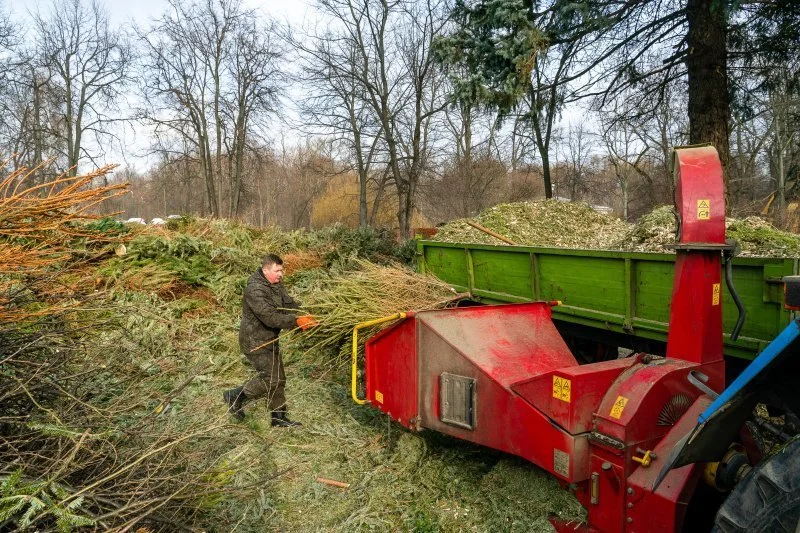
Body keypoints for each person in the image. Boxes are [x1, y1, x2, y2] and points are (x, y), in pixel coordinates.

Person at [223, 254, 317, 426]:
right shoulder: (255, 290)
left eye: (282, 270)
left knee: (278, 378)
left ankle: (278, 418)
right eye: (277, 270)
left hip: (269, 338)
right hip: (255, 340)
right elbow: (270, 317)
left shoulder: (275, 284)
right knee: (271, 379)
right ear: (266, 270)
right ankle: (236, 395)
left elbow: (287, 305)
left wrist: (305, 314)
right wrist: (296, 321)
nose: (281, 274)